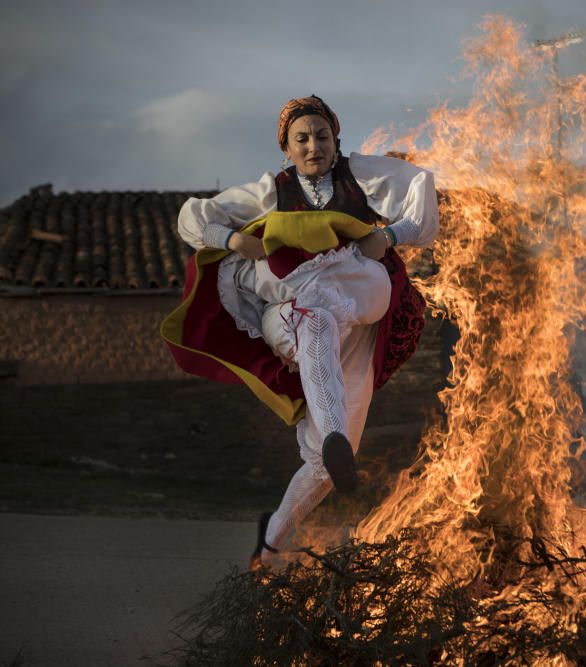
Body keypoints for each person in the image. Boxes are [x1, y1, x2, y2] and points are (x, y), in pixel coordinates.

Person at [163, 96, 438, 568]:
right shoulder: (272, 190)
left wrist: (391, 235)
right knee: (315, 328)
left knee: (326, 461)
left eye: (322, 137)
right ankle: (309, 476)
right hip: (291, 311)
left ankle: (279, 528)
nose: (314, 146)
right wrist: (230, 239)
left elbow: (420, 186)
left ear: (336, 139)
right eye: (302, 139)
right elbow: (193, 216)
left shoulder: (360, 175)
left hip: (355, 313)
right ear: (286, 148)